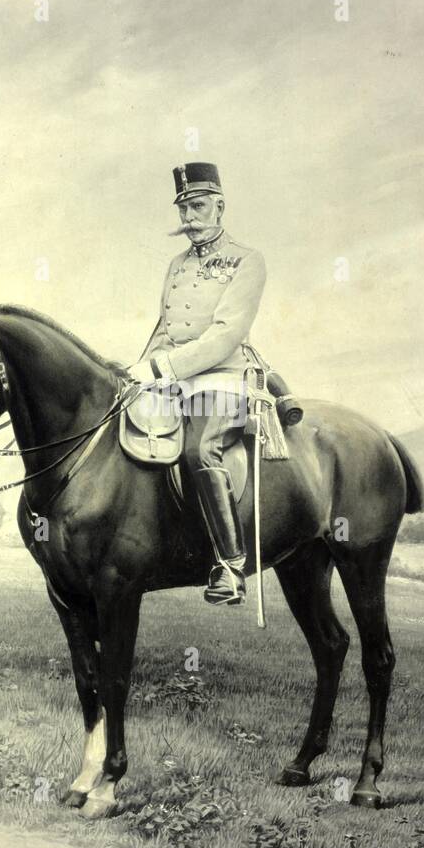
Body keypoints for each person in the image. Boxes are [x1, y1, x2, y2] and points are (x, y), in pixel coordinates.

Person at [128, 162, 266, 605]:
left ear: (220, 206)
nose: (189, 217)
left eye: (198, 206)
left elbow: (226, 333)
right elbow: (165, 329)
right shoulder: (176, 264)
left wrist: (164, 368)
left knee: (198, 449)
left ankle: (230, 566)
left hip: (222, 377)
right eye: (184, 208)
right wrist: (135, 371)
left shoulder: (247, 259)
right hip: (173, 376)